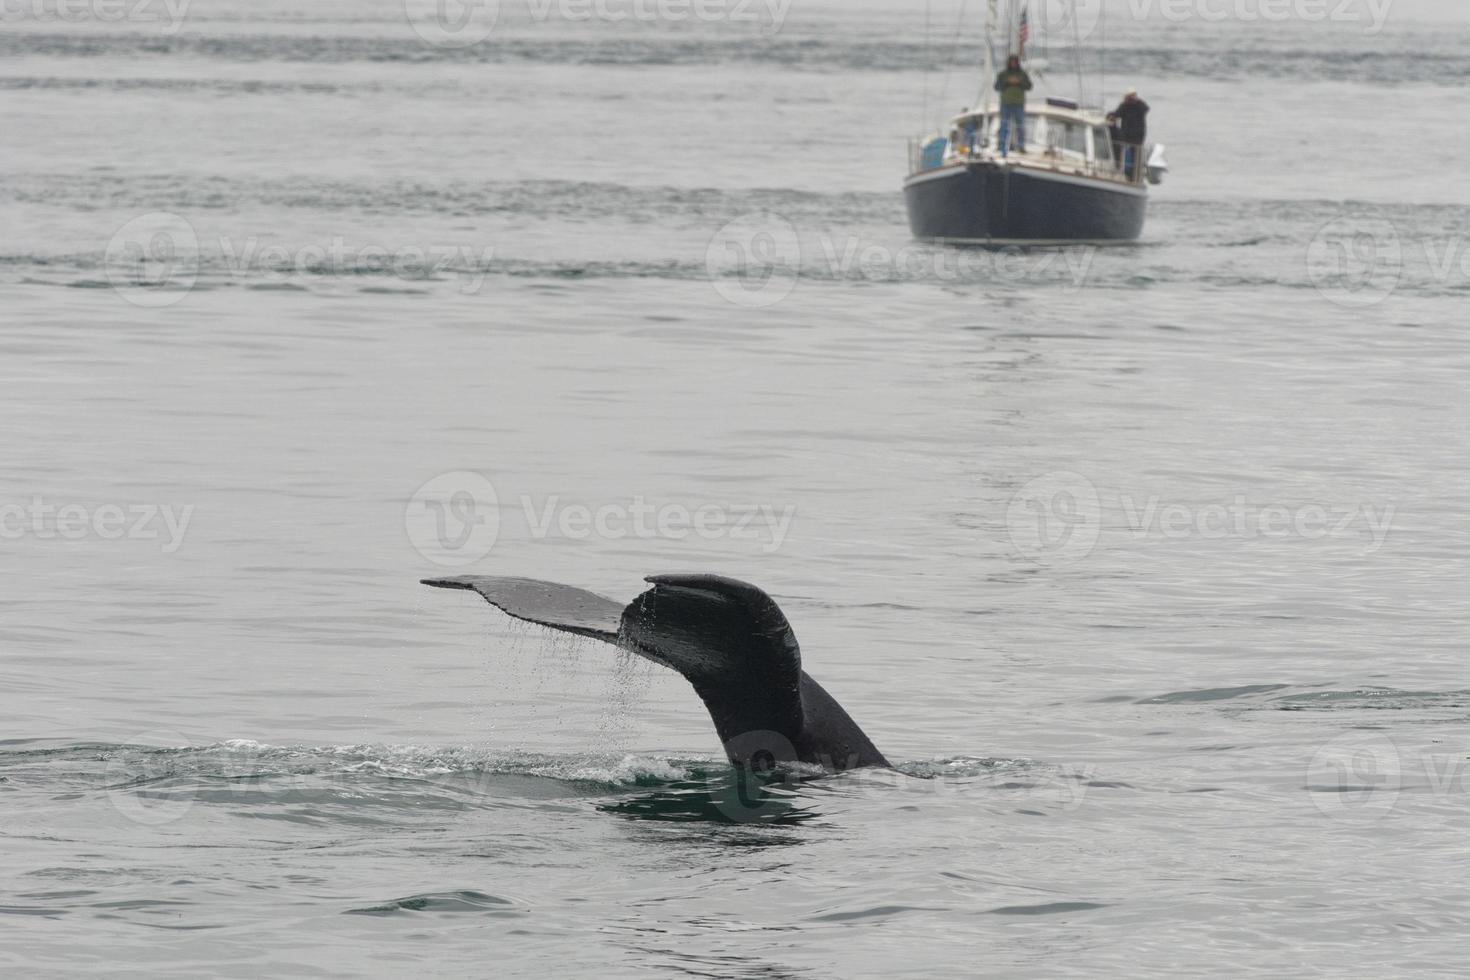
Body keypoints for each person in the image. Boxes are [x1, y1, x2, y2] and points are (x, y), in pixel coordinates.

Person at [993, 55, 1032, 157]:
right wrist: (1007, 82)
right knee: (1004, 125)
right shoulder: (1003, 74)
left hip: (1018, 104)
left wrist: (1019, 82)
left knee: (1020, 126)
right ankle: (1001, 146)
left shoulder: (1022, 74)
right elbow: (997, 87)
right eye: (1011, 62)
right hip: (1005, 103)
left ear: (1018, 63)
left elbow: (1029, 86)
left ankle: (1021, 146)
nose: (1013, 64)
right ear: (1009, 63)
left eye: (1015, 62)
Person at [1108, 88, 1150, 179]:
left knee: (1136, 154)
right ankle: (1124, 171)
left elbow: (1146, 109)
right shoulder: (1124, 106)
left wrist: (1136, 100)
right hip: (1126, 134)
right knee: (1123, 153)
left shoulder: (1139, 105)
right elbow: (1117, 114)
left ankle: (1134, 174)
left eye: (1133, 96)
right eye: (1129, 97)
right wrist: (1112, 117)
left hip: (1138, 135)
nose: (1131, 99)